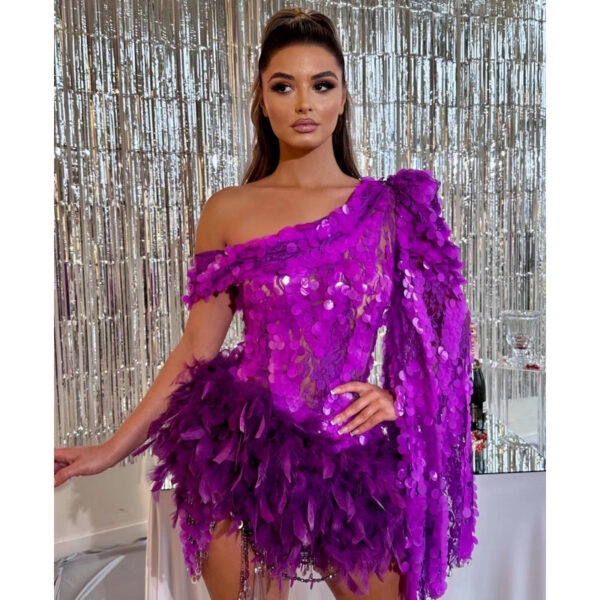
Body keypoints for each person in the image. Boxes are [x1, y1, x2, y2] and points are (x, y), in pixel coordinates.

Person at [54, 7, 477, 600]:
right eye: (285, 86)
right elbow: (195, 351)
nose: (304, 102)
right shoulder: (228, 211)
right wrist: (108, 451)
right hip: (243, 454)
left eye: (320, 85)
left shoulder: (390, 209)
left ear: (343, 98)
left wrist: (401, 398)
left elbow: (449, 332)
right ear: (263, 99)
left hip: (349, 454)